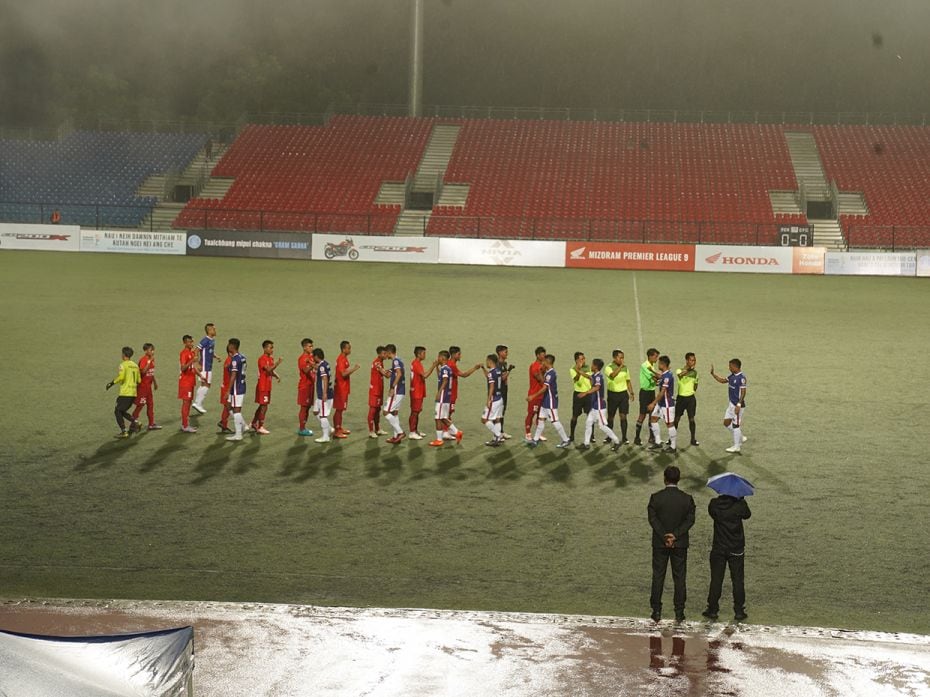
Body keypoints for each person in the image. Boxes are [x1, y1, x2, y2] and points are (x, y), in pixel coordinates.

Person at [647, 465, 696, 622]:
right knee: (680, 578)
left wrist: (664, 536)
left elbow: (653, 519)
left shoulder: (656, 498)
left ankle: (656, 611)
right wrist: (675, 535)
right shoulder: (687, 499)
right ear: (678, 479)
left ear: (664, 478)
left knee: (658, 576)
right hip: (680, 544)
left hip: (660, 544)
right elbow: (690, 520)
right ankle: (679, 612)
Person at [703, 494, 752, 622]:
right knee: (737, 580)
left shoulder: (714, 504)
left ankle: (712, 609)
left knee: (716, 579)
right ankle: (739, 611)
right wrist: (741, 500)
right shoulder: (739, 505)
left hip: (719, 547)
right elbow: (747, 515)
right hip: (736, 548)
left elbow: (712, 513)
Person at [525, 354, 571, 449]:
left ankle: (566, 440)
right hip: (545, 401)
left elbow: (544, 388)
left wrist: (533, 396)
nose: (542, 363)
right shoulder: (547, 372)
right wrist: (541, 372)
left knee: (555, 421)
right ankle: (535, 439)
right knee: (541, 420)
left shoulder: (551, 374)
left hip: (550, 402)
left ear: (547, 362)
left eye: (544, 361)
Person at [577, 358, 621, 451]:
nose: (591, 366)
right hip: (594, 406)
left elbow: (597, 387)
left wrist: (585, 393)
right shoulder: (594, 375)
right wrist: (579, 370)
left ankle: (616, 441)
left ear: (596, 366)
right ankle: (586, 443)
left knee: (602, 426)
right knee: (588, 423)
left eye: (592, 365)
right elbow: (588, 376)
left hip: (599, 407)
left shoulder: (598, 377)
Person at [710, 359, 748, 454]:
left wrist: (739, 404)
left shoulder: (741, 378)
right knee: (726, 423)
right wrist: (713, 374)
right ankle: (740, 437)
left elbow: (743, 392)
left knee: (736, 425)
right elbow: (723, 381)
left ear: (735, 367)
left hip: (738, 406)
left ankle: (736, 446)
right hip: (731, 404)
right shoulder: (732, 376)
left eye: (730, 366)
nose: (729, 368)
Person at [429, 350, 463, 447]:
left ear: (443, 358)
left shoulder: (445, 369)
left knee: (438, 418)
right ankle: (457, 432)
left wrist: (439, 392)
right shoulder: (446, 368)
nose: (437, 358)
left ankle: (439, 440)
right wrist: (436, 366)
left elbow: (444, 380)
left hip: (442, 398)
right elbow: (441, 377)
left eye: (439, 357)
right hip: (447, 398)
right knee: (443, 418)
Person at [106, 346, 141, 438]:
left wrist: (111, 383)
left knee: (117, 411)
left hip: (125, 393)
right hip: (133, 393)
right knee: (121, 411)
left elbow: (121, 377)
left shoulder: (123, 365)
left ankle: (124, 431)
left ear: (124, 355)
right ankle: (136, 422)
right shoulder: (135, 365)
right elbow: (139, 380)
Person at [647, 355, 678, 453]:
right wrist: (653, 373)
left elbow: (662, 392)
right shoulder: (665, 374)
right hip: (661, 404)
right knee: (653, 419)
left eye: (659, 363)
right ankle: (658, 441)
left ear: (662, 364)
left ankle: (673, 447)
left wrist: (653, 403)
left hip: (667, 404)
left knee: (669, 424)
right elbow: (661, 377)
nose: (657, 364)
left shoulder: (667, 376)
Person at [251, 339, 282, 434]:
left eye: (273, 348)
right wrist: (278, 363)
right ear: (265, 348)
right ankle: (260, 426)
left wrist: (275, 375)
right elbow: (268, 369)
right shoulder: (262, 359)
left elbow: (270, 371)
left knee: (262, 406)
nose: (272, 349)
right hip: (262, 386)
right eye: (270, 347)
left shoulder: (270, 358)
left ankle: (253, 423)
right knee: (264, 406)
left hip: (267, 386)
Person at [604, 349, 634, 444]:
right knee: (611, 417)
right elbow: (612, 375)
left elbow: (628, 381)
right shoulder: (608, 367)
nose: (622, 359)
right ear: (614, 357)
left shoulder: (625, 368)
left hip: (623, 395)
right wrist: (620, 366)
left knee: (623, 416)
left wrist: (631, 392)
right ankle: (609, 437)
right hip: (613, 395)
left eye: (623, 358)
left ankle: (624, 437)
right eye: (620, 357)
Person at [333, 340, 359, 438]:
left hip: (344, 387)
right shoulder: (341, 359)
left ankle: (339, 428)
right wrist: (354, 368)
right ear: (344, 349)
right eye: (348, 348)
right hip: (340, 389)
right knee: (339, 410)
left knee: (341, 410)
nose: (350, 350)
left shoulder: (344, 358)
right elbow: (343, 374)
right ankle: (337, 431)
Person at [131, 343, 161, 430]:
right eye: (150, 350)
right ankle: (133, 424)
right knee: (140, 405)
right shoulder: (144, 360)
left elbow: (151, 372)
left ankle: (151, 424)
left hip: (148, 387)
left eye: (153, 350)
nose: (152, 351)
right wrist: (149, 361)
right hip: (142, 387)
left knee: (150, 405)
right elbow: (143, 371)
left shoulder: (151, 359)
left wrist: (155, 382)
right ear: (145, 351)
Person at [635, 348, 661, 445]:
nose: (656, 358)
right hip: (645, 393)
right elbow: (656, 377)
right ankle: (637, 437)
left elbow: (655, 380)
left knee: (651, 415)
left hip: (651, 393)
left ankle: (651, 437)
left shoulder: (652, 366)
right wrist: (659, 377)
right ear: (650, 356)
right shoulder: (645, 366)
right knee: (642, 415)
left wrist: (657, 380)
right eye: (655, 356)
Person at [192, 323, 220, 414]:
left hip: (208, 366)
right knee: (206, 385)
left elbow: (209, 351)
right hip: (205, 366)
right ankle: (198, 403)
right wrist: (196, 363)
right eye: (214, 329)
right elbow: (196, 350)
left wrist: (215, 356)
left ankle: (197, 403)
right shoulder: (205, 340)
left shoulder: (212, 340)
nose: (215, 331)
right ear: (209, 330)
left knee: (203, 384)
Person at [408, 346, 434, 440]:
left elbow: (422, 377)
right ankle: (412, 432)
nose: (425, 355)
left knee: (417, 411)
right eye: (423, 353)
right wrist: (433, 366)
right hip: (416, 392)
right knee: (415, 412)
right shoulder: (416, 364)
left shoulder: (417, 363)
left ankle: (415, 430)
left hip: (417, 391)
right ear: (419, 354)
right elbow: (425, 375)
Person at [225, 339, 248, 441]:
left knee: (236, 410)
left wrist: (227, 390)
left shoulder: (235, 359)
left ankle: (238, 434)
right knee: (228, 405)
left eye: (229, 344)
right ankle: (243, 425)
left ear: (232, 346)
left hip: (236, 388)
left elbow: (233, 376)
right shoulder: (242, 357)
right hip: (241, 385)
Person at [383, 344, 407, 444]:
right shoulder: (399, 360)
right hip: (401, 391)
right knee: (394, 413)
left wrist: (392, 387)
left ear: (389, 352)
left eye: (386, 353)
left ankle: (400, 432)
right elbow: (393, 373)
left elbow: (399, 373)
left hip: (397, 391)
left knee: (386, 412)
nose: (385, 355)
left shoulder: (395, 361)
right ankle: (395, 436)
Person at [675, 353, 700, 447]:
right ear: (687, 360)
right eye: (692, 360)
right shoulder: (679, 370)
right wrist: (689, 369)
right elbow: (680, 375)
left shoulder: (695, 373)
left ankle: (693, 439)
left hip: (690, 399)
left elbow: (696, 385)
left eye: (694, 360)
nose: (693, 362)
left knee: (692, 419)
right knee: (676, 419)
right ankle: (671, 439)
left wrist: (691, 391)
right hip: (681, 398)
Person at [481, 353, 505, 446]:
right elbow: (489, 377)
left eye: (487, 361)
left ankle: (498, 435)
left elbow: (491, 386)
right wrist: (483, 369)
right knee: (497, 419)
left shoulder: (492, 372)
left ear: (490, 361)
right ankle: (496, 440)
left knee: (484, 420)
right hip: (500, 398)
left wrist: (488, 399)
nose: (486, 362)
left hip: (494, 399)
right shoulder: (498, 371)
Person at [178, 335, 200, 433]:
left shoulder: (191, 353)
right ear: (185, 343)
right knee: (186, 403)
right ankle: (184, 425)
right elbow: (183, 368)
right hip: (185, 382)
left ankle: (185, 424)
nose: (191, 343)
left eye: (192, 341)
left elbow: (193, 367)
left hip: (191, 381)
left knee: (189, 403)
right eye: (190, 342)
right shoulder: (184, 353)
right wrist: (192, 360)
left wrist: (200, 375)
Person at [524, 346, 547, 441]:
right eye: (542, 355)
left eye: (545, 355)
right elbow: (541, 381)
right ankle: (528, 433)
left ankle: (538, 433)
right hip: (534, 395)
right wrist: (544, 370)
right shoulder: (534, 366)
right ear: (537, 355)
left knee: (540, 415)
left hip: (542, 395)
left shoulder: (543, 366)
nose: (544, 357)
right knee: (531, 414)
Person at [568, 352, 592, 442]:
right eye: (581, 359)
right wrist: (578, 370)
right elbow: (576, 379)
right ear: (577, 360)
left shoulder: (589, 368)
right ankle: (572, 435)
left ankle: (591, 436)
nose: (583, 360)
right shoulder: (572, 369)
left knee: (590, 416)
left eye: (584, 358)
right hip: (578, 395)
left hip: (588, 394)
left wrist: (581, 371)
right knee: (574, 416)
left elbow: (590, 377)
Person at [313, 348, 334, 443]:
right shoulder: (325, 363)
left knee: (323, 416)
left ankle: (326, 436)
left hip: (323, 395)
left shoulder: (322, 367)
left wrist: (324, 394)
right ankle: (329, 428)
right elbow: (320, 369)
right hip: (321, 395)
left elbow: (325, 379)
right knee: (316, 412)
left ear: (316, 357)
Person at [368, 346, 389, 438]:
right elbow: (386, 374)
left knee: (378, 410)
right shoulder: (377, 363)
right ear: (379, 354)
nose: (385, 355)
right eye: (384, 353)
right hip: (374, 391)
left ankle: (377, 429)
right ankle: (371, 431)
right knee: (372, 410)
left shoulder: (380, 362)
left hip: (379, 390)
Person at [296, 338, 316, 437]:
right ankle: (301, 428)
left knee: (308, 407)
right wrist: (312, 365)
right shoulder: (302, 358)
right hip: (304, 386)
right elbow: (305, 370)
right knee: (304, 407)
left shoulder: (311, 357)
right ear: (304, 347)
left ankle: (304, 427)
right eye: (309, 346)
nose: (311, 348)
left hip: (311, 385)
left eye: (312, 346)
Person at [495, 344, 514, 439]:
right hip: (499, 391)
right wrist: (509, 370)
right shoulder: (498, 364)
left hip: (504, 390)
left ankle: (501, 431)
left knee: (502, 411)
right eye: (506, 352)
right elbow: (501, 378)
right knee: (499, 412)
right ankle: (497, 433)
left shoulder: (504, 364)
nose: (507, 354)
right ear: (500, 352)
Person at [218, 343, 234, 434]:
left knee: (227, 407)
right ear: (230, 353)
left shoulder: (229, 361)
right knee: (230, 407)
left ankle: (223, 424)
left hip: (227, 387)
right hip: (227, 388)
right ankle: (241, 425)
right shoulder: (229, 362)